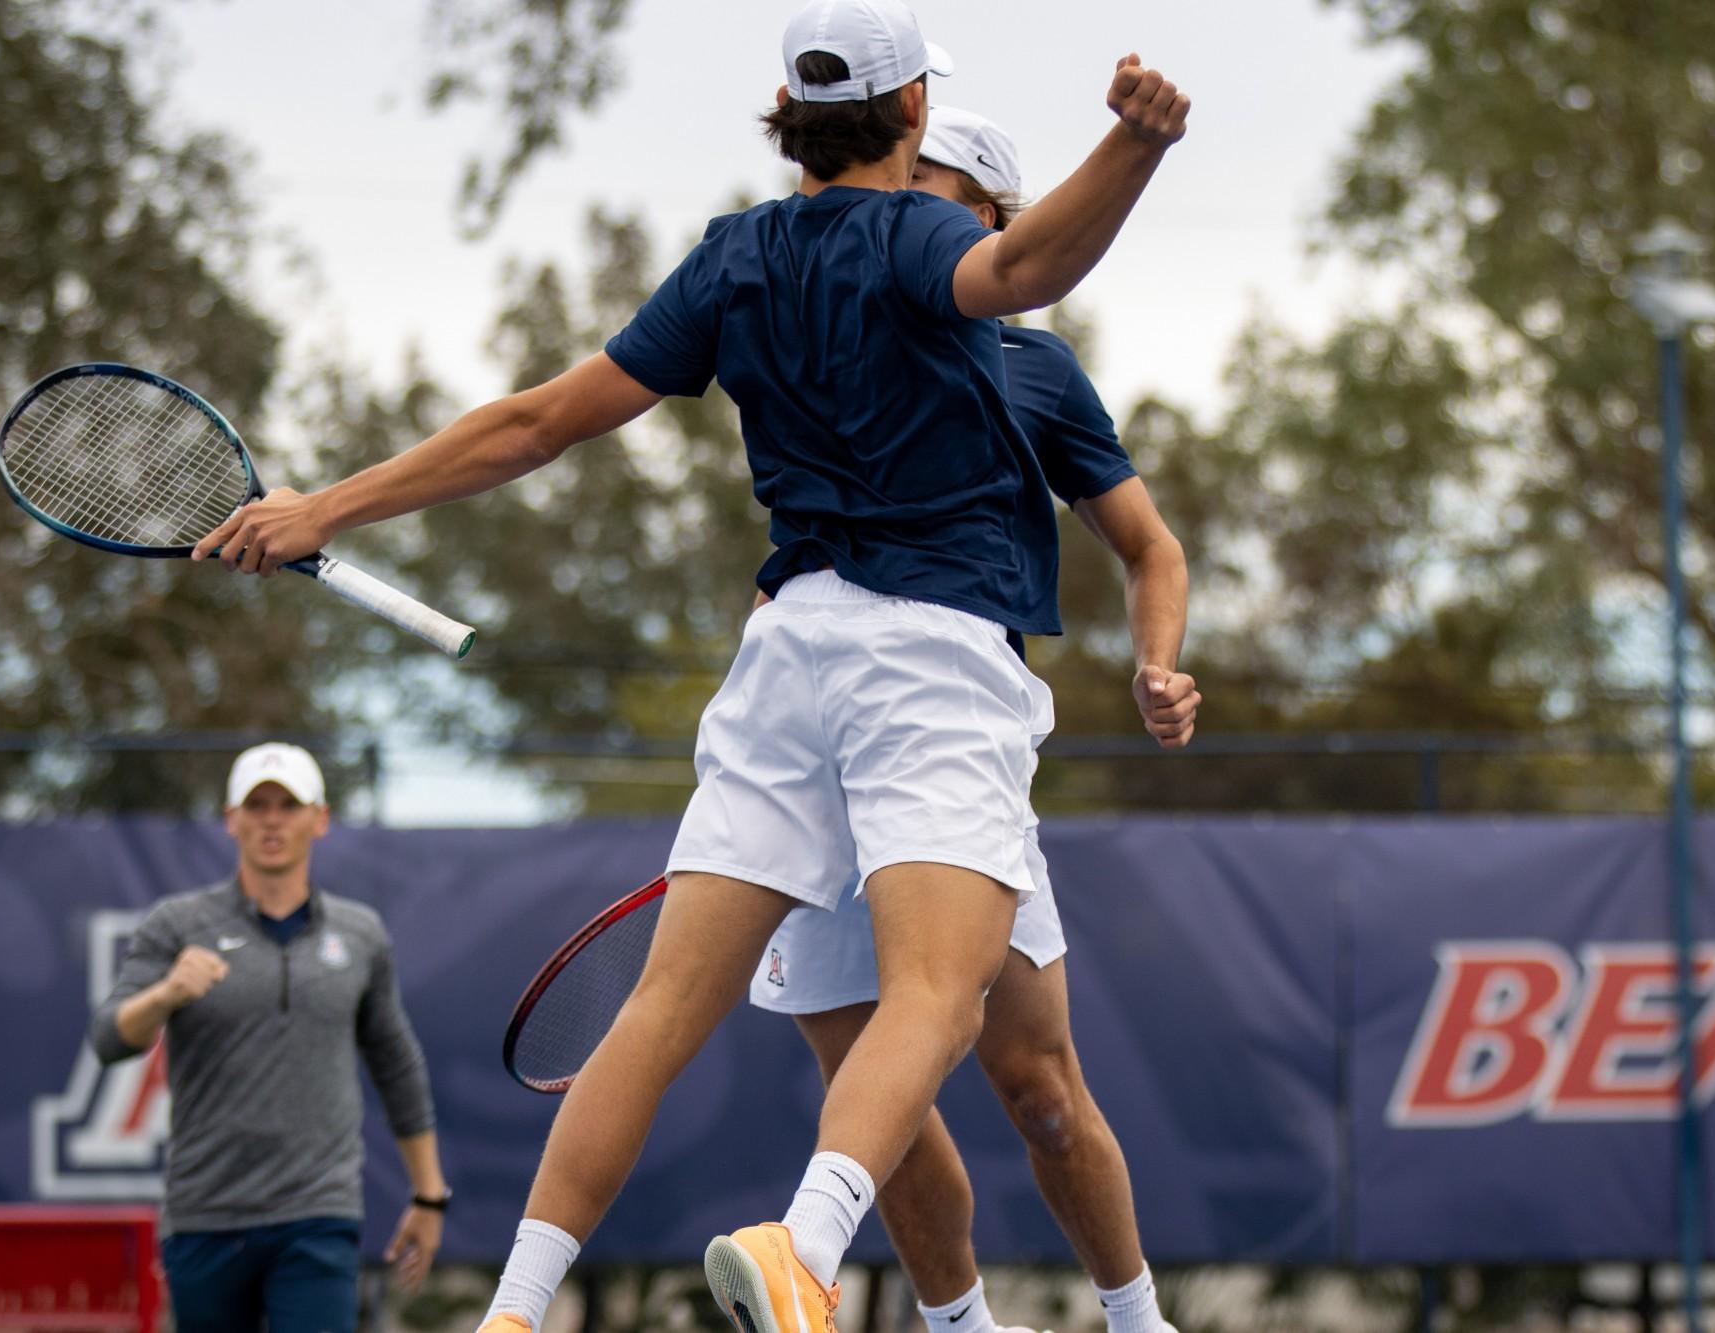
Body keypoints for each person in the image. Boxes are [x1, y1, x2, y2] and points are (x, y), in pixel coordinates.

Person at [190, 3, 1191, 1329]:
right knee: (940, 1000)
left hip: (785, 657)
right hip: (928, 659)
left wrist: (327, 506)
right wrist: (1135, 145)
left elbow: (536, 424)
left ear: (790, 114)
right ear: (907, 118)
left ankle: (514, 1309)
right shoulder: (926, 238)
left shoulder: (732, 260)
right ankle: (805, 1250)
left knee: (662, 1008)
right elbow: (1031, 269)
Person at [746, 106, 1194, 1333]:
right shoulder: (830, 325)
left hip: (953, 744)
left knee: (1039, 1086)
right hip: (820, 734)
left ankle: (1138, 1320)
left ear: (993, 212)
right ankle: (957, 1327)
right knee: (870, 1094)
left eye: (927, 183)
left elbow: (1150, 547)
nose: (891, 202)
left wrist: (1158, 662)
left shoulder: (1034, 367)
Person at [88, 743, 450, 1333]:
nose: (273, 819)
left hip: (318, 1214)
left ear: (320, 819)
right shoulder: (176, 926)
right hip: (205, 1216)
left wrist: (430, 1195)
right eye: (257, 805)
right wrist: (166, 994)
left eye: (289, 804)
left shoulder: (361, 935)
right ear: (231, 819)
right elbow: (110, 1039)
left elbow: (396, 1063)